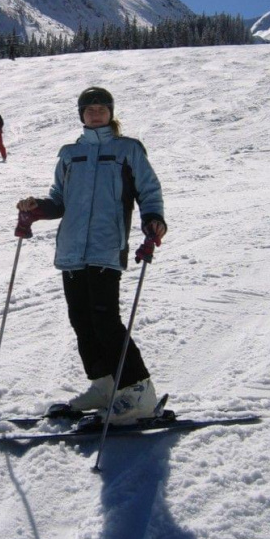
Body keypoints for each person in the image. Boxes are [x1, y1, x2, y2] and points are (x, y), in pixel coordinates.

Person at [16, 86, 167, 424]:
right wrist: (36, 208)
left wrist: (153, 219)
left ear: (111, 113)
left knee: (105, 322)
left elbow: (148, 189)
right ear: (81, 114)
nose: (96, 113)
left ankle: (139, 393)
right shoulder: (70, 154)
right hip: (71, 250)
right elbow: (59, 200)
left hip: (105, 247)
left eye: (102, 108)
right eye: (90, 109)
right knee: (81, 320)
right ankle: (105, 385)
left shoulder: (128, 150)